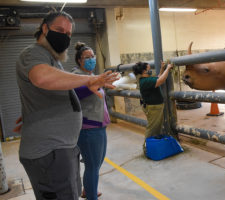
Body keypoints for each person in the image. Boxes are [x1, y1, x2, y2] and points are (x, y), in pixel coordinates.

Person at [15, 11, 117, 200]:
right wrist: (89, 80)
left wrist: (33, 113)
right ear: (44, 28)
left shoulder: (52, 59)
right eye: (59, 30)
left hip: (60, 148)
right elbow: (41, 77)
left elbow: (55, 92)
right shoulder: (33, 53)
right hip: (50, 151)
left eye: (69, 34)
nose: (65, 36)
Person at [71, 42, 110, 200]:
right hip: (89, 128)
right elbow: (75, 94)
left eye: (93, 56)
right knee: (93, 166)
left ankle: (87, 191)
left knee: (96, 163)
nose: (91, 60)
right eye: (87, 57)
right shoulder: (76, 75)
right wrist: (96, 84)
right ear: (79, 60)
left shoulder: (93, 76)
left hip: (99, 125)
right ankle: (91, 196)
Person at [132, 61, 173, 153]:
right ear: (143, 71)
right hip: (153, 108)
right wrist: (168, 68)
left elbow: (158, 78)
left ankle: (153, 147)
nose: (150, 71)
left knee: (156, 127)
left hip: (154, 107)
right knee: (152, 128)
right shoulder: (145, 81)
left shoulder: (147, 79)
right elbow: (161, 80)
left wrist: (162, 68)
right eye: (149, 69)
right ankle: (146, 148)